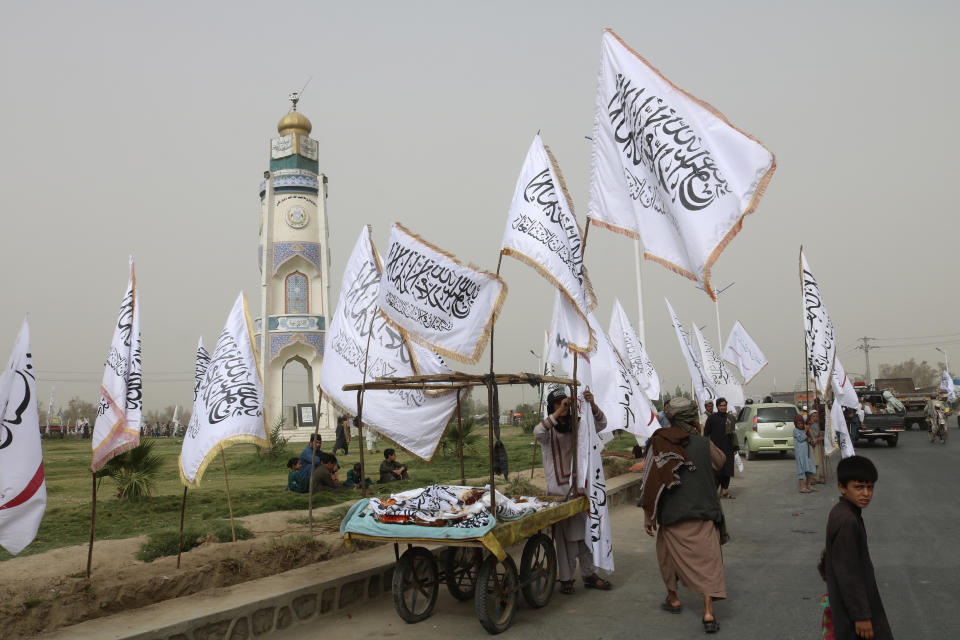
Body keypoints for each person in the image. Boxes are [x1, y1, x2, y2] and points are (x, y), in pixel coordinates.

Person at [641, 397, 726, 634]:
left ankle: (673, 598)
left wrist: (648, 517)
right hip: (704, 513)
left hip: (672, 514)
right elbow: (720, 462)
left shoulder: (658, 442)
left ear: (670, 418)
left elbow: (649, 482)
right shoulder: (702, 443)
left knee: (666, 554)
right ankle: (708, 612)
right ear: (693, 418)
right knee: (709, 561)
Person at [534, 386, 612, 595]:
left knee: (586, 533)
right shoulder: (548, 429)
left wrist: (592, 404)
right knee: (563, 538)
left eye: (565, 403)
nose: (564, 407)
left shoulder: (578, 425)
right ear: (552, 407)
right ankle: (566, 578)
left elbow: (602, 424)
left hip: (580, 488)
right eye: (559, 404)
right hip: (558, 491)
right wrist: (558, 413)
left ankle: (589, 573)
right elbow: (537, 432)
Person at [823, 455, 893, 639]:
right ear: (842, 487)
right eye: (859, 487)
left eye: (870, 487)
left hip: (849, 603)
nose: (866, 494)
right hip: (853, 613)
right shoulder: (847, 520)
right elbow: (848, 572)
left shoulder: (844, 512)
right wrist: (861, 616)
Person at [703, 397, 738, 498]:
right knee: (717, 471)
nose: (723, 407)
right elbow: (706, 434)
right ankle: (713, 492)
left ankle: (724, 491)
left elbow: (734, 434)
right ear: (717, 407)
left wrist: (735, 447)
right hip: (716, 449)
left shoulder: (730, 418)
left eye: (724, 405)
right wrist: (707, 447)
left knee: (727, 471)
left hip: (728, 448)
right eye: (721, 406)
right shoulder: (712, 418)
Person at [794, 412, 816, 493]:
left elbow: (809, 439)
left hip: (808, 453)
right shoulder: (796, 431)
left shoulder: (804, 429)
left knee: (809, 468)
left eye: (801, 423)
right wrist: (805, 431)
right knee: (802, 469)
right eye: (798, 423)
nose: (800, 425)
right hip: (800, 454)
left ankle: (809, 485)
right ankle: (802, 487)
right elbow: (800, 439)